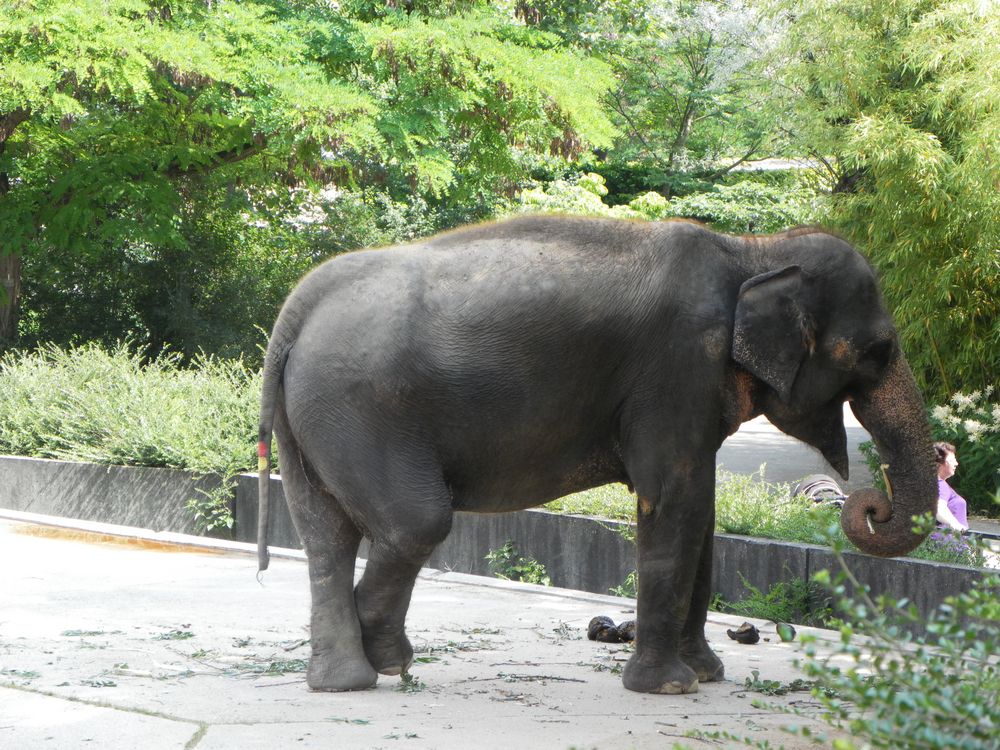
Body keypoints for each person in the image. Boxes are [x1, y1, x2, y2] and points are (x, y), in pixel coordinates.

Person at [933, 441, 969, 536]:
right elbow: (938, 509)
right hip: (948, 546)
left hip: (940, 545)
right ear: (940, 463)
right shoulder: (939, 484)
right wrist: (956, 525)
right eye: (952, 460)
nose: (956, 463)